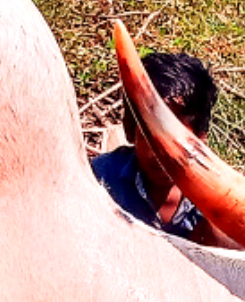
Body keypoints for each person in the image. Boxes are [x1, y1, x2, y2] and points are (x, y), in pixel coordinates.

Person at [91, 49, 222, 241]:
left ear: (201, 140)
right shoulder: (99, 179)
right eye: (149, 135)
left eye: (174, 139)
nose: (161, 152)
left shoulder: (218, 202)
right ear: (130, 130)